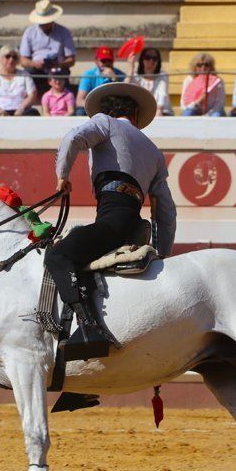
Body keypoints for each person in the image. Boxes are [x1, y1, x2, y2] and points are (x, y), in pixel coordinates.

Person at [47, 82, 177, 360]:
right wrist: (164, 253)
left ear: (106, 111)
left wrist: (62, 176)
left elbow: (72, 139)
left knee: (59, 255)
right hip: (133, 225)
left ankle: (89, 328)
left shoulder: (103, 122)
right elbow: (165, 210)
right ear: (136, 116)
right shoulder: (154, 151)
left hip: (113, 213)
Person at [19, 0, 76, 96]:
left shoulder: (64, 32)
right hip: (36, 69)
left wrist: (59, 64)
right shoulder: (29, 32)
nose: (44, 24)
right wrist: (34, 63)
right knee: (26, 75)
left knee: (62, 76)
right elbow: (23, 60)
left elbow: (71, 60)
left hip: (58, 68)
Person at [0, 45, 39, 116]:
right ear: (1, 58)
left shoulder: (25, 75)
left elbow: (32, 95)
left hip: (20, 111)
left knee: (33, 113)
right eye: (8, 56)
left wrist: (21, 108)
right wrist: (0, 111)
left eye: (14, 57)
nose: (11, 59)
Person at [75, 46, 126, 115]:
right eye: (103, 61)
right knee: (80, 112)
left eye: (109, 60)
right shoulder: (89, 74)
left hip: (113, 109)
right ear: (96, 61)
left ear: (113, 61)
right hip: (94, 109)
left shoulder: (120, 75)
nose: (106, 63)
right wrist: (97, 107)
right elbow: (79, 101)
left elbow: (123, 100)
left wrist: (114, 79)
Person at [125, 47, 172, 116]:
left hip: (162, 113)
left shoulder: (162, 75)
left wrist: (158, 113)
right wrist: (131, 67)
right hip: (140, 114)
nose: (151, 61)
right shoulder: (135, 76)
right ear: (142, 60)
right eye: (147, 57)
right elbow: (125, 88)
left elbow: (162, 95)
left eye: (154, 58)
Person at [180, 53, 225, 117]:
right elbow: (183, 105)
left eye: (206, 65)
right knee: (187, 113)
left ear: (211, 67)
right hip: (194, 110)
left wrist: (207, 115)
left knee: (216, 115)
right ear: (194, 67)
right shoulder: (188, 80)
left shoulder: (218, 81)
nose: (203, 67)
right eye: (199, 65)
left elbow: (220, 103)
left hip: (212, 111)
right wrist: (197, 102)